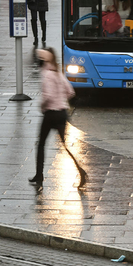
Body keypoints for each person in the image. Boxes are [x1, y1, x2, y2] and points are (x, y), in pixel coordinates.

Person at [29, 47, 87, 186]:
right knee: (65, 145)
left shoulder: (47, 74)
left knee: (41, 144)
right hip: (62, 113)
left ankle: (39, 175)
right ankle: (81, 171)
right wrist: (61, 100)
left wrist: (42, 107)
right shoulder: (58, 73)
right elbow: (70, 92)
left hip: (50, 114)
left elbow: (47, 96)